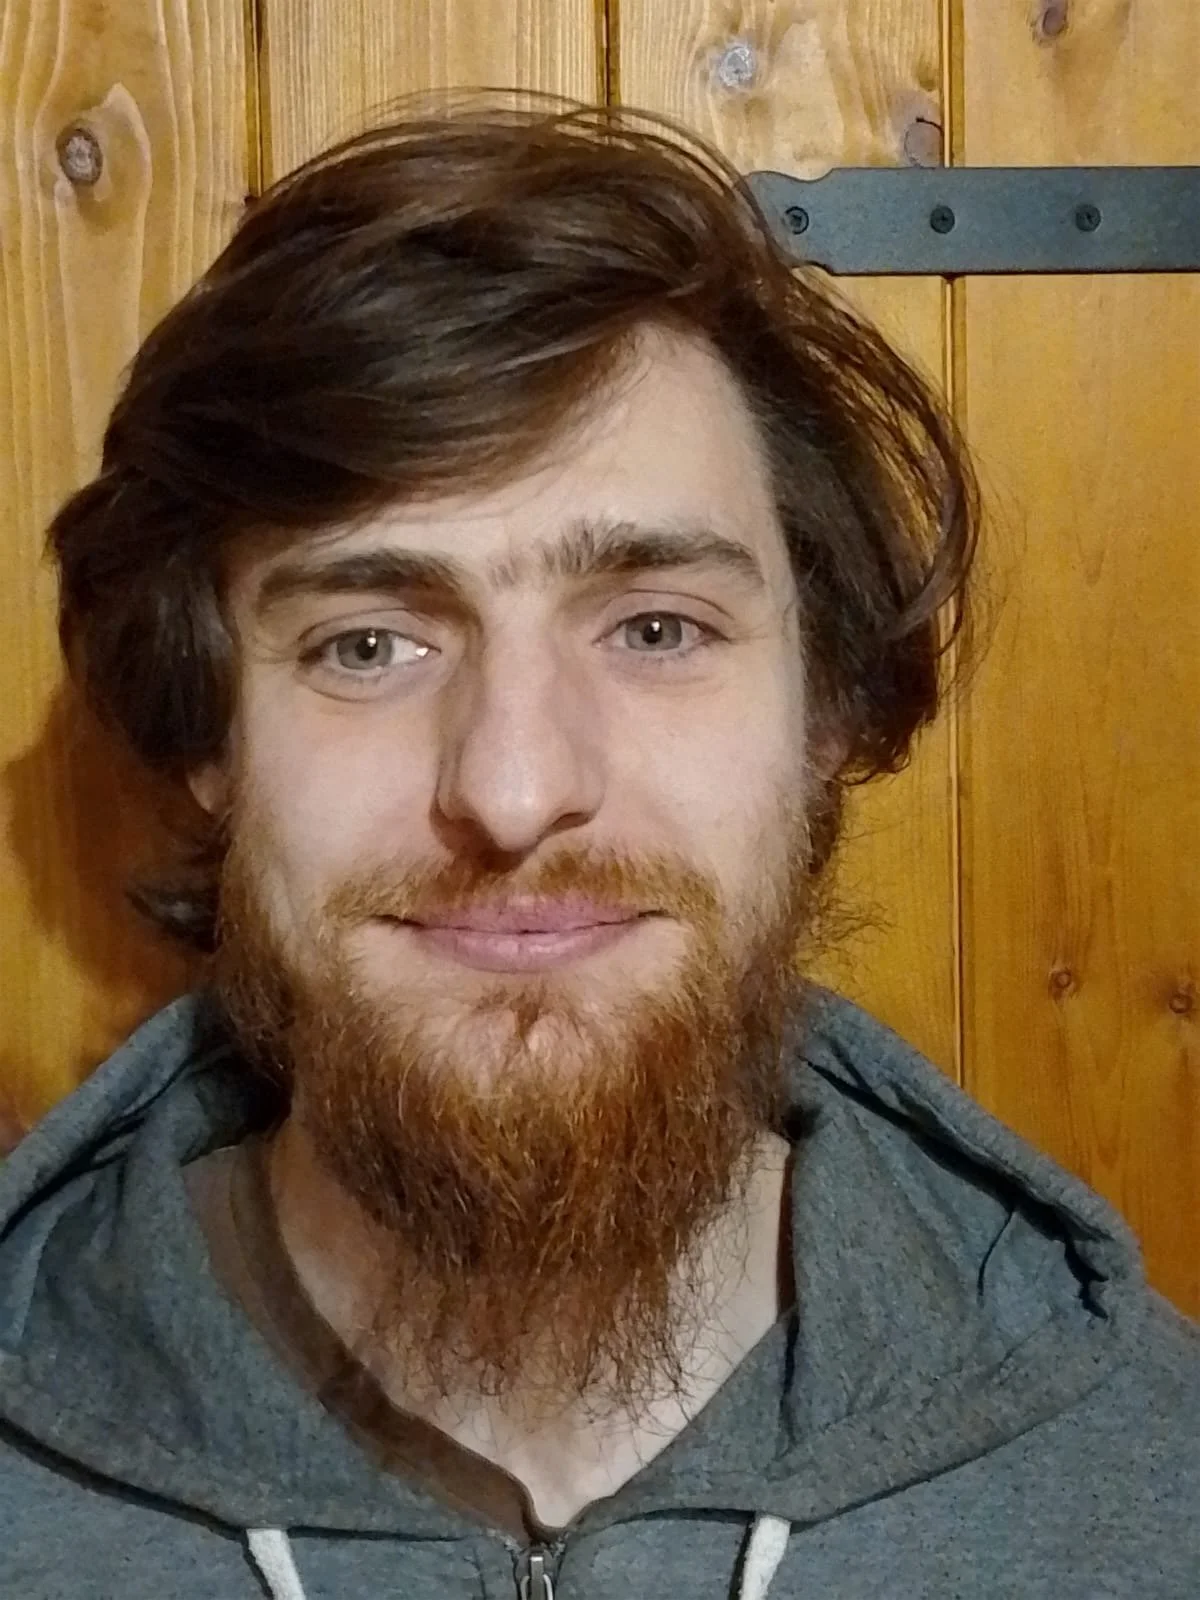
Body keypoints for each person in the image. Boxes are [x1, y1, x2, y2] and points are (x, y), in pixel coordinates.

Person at [1, 95, 1195, 1600]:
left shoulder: (1154, 1489)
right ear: (212, 744)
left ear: (827, 714)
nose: (511, 790)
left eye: (656, 627)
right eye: (368, 644)